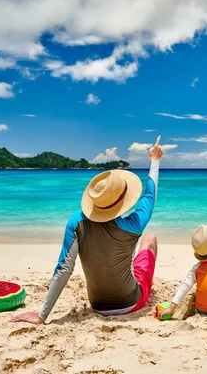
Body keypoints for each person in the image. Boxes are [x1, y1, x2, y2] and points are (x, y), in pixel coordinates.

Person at [12, 136, 165, 324]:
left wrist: (42, 315)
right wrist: (155, 160)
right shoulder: (134, 224)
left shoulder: (76, 221)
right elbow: (150, 194)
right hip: (131, 302)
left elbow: (64, 269)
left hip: (98, 304)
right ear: (124, 199)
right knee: (150, 238)